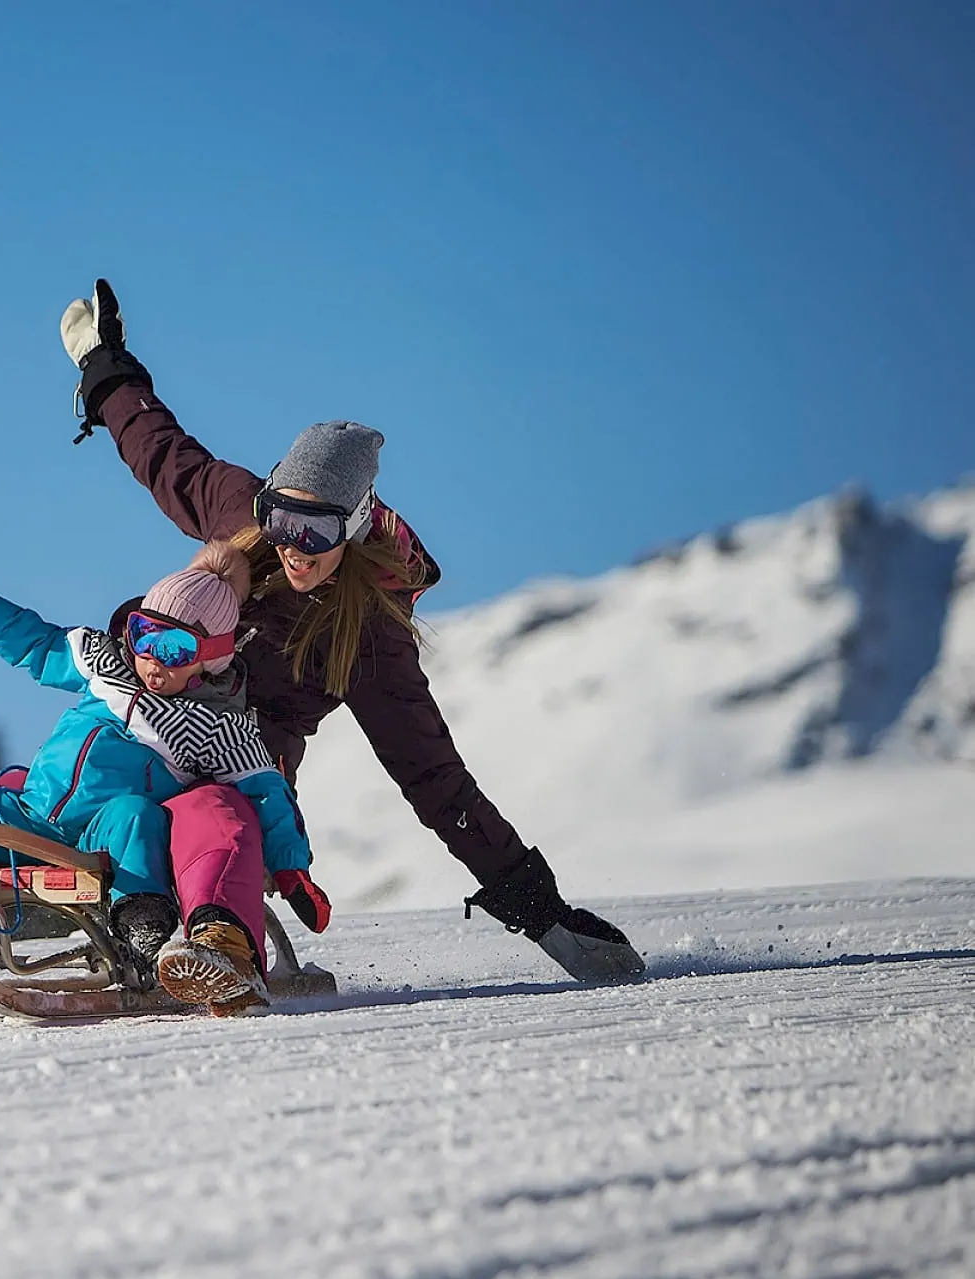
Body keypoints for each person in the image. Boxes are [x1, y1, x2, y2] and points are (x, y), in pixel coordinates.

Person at [58, 279, 644, 982]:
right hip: (145, 719)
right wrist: (103, 363)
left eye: (317, 530)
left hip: (242, 768)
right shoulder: (237, 514)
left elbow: (434, 779)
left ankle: (207, 935)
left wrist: (541, 912)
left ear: (357, 525)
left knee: (205, 813)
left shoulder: (367, 636)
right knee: (69, 782)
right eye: (282, 521)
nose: (293, 546)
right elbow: (159, 451)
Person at [0, 543, 321, 1015]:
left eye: (173, 650)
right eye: (145, 636)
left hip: (99, 832)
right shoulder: (105, 662)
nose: (151, 660)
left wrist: (291, 868)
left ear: (210, 657)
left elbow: (265, 790)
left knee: (137, 815)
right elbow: (39, 644)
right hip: (30, 811)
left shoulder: (215, 726)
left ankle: (142, 928)